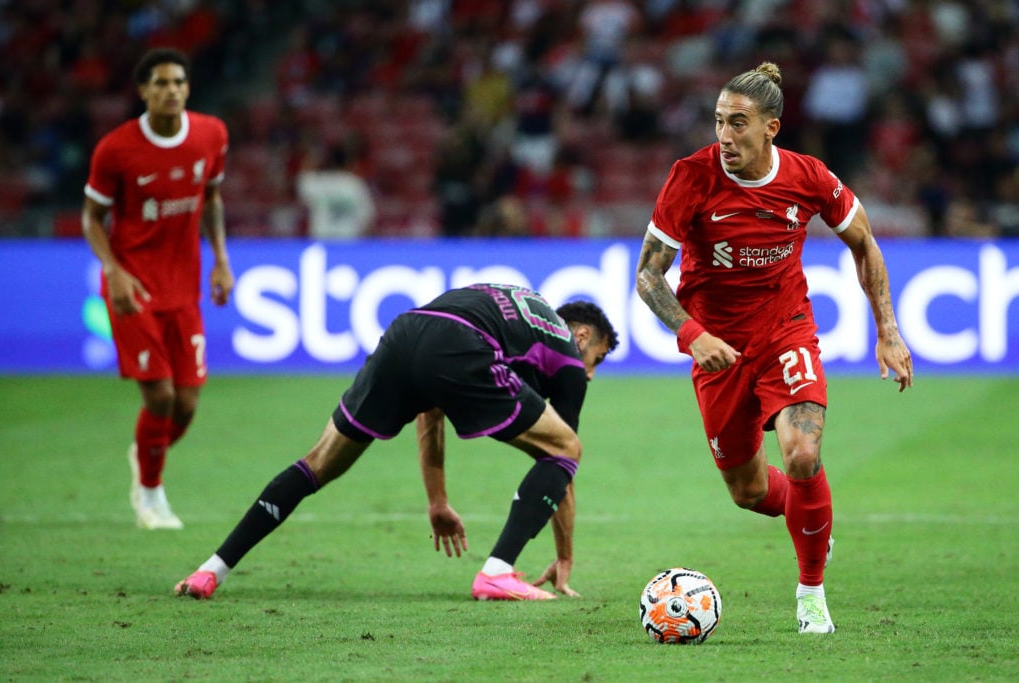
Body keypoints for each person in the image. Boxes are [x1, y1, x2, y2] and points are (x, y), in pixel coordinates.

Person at [635, 62, 913, 634]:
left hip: (785, 330)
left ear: (771, 128)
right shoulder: (691, 177)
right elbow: (647, 276)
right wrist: (693, 334)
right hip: (717, 348)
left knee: (802, 453)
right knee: (748, 489)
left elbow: (863, 242)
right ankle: (811, 522)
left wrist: (887, 329)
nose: (725, 136)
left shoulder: (808, 177)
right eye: (718, 122)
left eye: (738, 123)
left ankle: (811, 594)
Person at [175, 283, 618, 601]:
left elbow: (431, 404)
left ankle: (210, 570)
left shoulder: (519, 303)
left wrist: (437, 500)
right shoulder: (565, 352)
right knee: (565, 449)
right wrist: (564, 557)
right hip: (461, 343)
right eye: (596, 360)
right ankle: (497, 571)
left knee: (318, 463)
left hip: (405, 334)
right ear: (582, 337)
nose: (591, 374)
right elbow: (563, 462)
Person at [81, 48, 233, 530]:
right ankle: (150, 495)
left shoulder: (211, 134)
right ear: (143, 90)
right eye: (161, 83)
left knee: (187, 403)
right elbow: (91, 218)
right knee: (161, 397)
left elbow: (210, 198)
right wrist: (113, 270)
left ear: (188, 88)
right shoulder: (116, 149)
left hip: (183, 287)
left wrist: (221, 261)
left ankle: (146, 452)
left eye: (179, 82)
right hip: (134, 287)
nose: (172, 90)